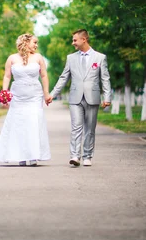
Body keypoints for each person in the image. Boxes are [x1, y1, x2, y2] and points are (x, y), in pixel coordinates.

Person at [46, 29, 111, 167]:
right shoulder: (71, 58)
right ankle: (75, 156)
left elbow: (105, 79)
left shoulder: (100, 58)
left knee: (90, 129)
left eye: (75, 40)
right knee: (76, 127)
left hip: (92, 98)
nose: (73, 43)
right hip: (75, 98)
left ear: (84, 40)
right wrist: (52, 94)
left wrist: (107, 97)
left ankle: (87, 156)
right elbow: (63, 78)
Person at [0, 34, 52, 166]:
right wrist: (4, 91)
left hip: (34, 96)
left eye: (37, 43)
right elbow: (7, 76)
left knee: (33, 122)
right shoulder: (12, 58)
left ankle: (33, 156)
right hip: (18, 96)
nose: (36, 45)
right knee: (18, 123)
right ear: (25, 42)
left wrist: (46, 93)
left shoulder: (38, 57)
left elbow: (43, 75)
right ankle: (20, 155)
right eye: (34, 42)